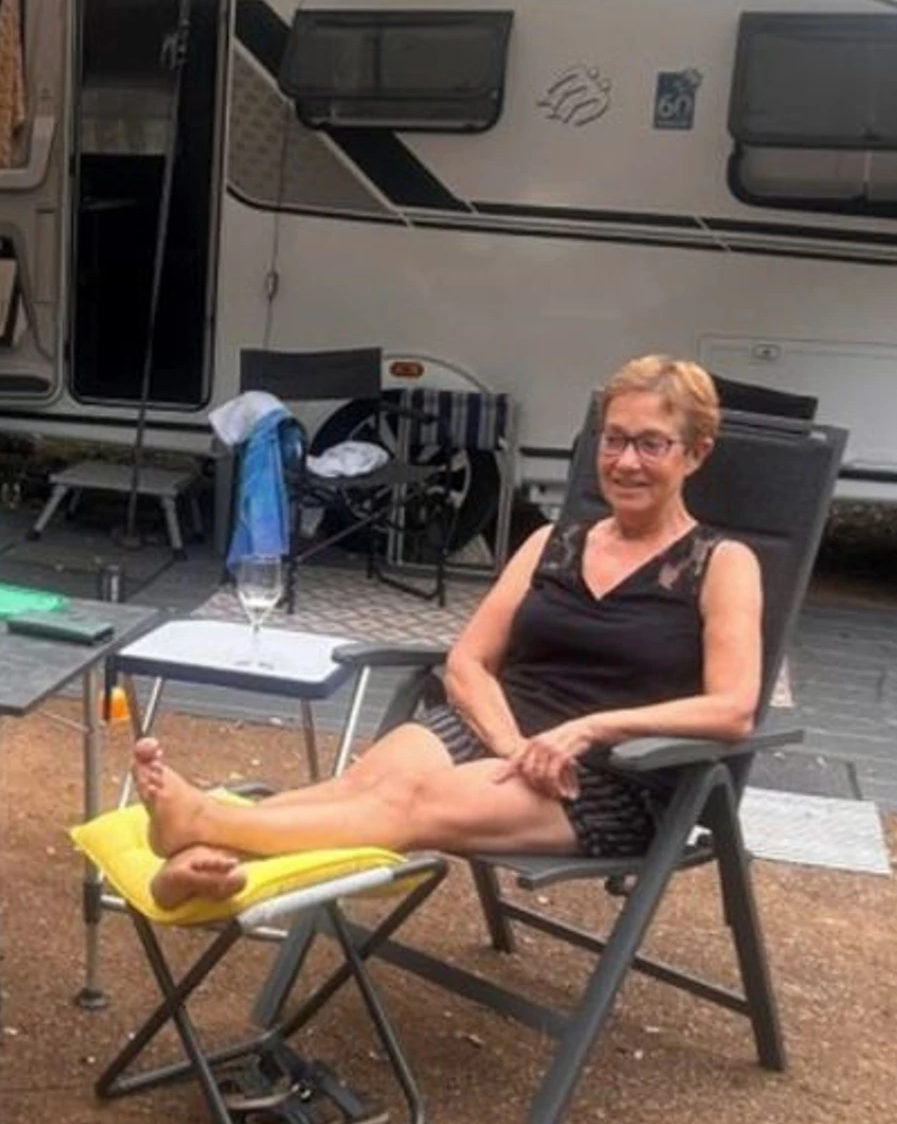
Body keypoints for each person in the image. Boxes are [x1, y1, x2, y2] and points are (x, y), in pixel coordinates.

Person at [133, 355, 765, 909]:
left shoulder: (722, 564)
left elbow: (733, 710)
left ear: (695, 453)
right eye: (614, 439)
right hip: (503, 730)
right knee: (362, 785)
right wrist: (513, 745)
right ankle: (199, 859)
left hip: (610, 774)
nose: (626, 461)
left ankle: (204, 824)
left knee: (408, 807)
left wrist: (591, 729)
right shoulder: (551, 543)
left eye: (651, 444)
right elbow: (468, 661)